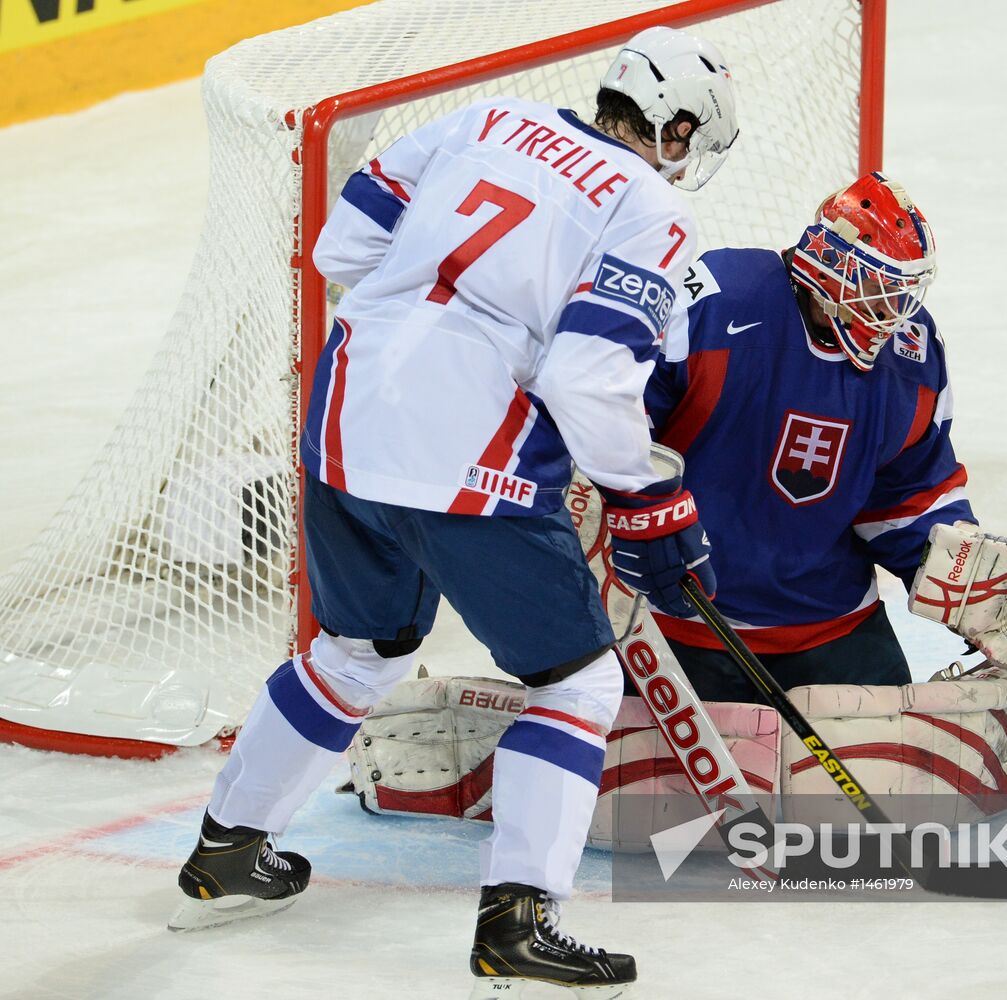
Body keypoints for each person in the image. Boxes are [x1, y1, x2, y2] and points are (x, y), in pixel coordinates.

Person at [168, 25, 737, 997]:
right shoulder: (642, 203)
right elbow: (590, 375)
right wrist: (648, 500)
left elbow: (340, 244)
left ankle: (228, 845)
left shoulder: (486, 117)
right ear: (675, 126)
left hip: (347, 408)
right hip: (464, 442)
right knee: (577, 684)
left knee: (356, 649)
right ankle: (519, 921)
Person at [642, 171, 966, 703]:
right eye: (883, 287)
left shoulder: (914, 355)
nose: (896, 312)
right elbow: (615, 425)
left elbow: (910, 492)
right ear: (833, 264)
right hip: (679, 623)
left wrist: (960, 573)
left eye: (906, 292)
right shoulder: (715, 300)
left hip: (835, 627)